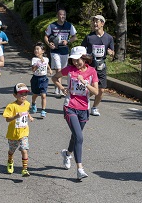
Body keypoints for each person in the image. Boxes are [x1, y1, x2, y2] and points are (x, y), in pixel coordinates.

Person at [52, 46, 99, 181]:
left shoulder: (92, 72)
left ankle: (67, 154)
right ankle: (80, 169)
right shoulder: (69, 70)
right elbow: (54, 78)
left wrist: (85, 83)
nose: (76, 63)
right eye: (73, 60)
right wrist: (61, 88)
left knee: (76, 136)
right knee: (79, 137)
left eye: (78, 60)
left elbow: (96, 92)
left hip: (84, 109)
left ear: (84, 58)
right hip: (70, 106)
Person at [81, 15, 114, 116]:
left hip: (101, 66)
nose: (95, 24)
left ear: (102, 24)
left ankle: (94, 107)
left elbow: (113, 52)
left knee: (101, 89)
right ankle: (81, 100)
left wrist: (111, 53)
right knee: (89, 87)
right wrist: (85, 57)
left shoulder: (109, 38)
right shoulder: (89, 37)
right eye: (94, 22)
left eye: (97, 22)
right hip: (90, 66)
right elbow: (82, 50)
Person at [3, 83, 34, 177]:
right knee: (11, 150)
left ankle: (24, 169)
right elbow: (7, 119)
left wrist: (30, 116)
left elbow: (26, 111)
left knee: (24, 149)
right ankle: (10, 160)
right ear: (15, 95)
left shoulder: (27, 104)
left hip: (24, 132)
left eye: (25, 94)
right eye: (21, 94)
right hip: (13, 133)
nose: (23, 96)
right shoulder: (11, 106)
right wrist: (16, 116)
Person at [44, 9, 77, 97]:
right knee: (58, 69)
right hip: (55, 50)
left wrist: (68, 41)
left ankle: (57, 86)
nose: (62, 16)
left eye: (64, 15)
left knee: (63, 70)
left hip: (64, 50)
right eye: (60, 15)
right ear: (57, 16)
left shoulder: (69, 26)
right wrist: (49, 44)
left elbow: (75, 37)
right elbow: (46, 37)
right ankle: (60, 89)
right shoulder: (52, 26)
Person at [30, 42, 52, 117]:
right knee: (35, 94)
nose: (36, 50)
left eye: (37, 49)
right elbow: (33, 70)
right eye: (35, 49)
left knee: (43, 95)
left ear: (43, 51)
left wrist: (50, 69)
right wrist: (37, 65)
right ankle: (33, 103)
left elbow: (47, 64)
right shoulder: (34, 59)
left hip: (44, 78)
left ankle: (43, 110)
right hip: (36, 78)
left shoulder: (46, 59)